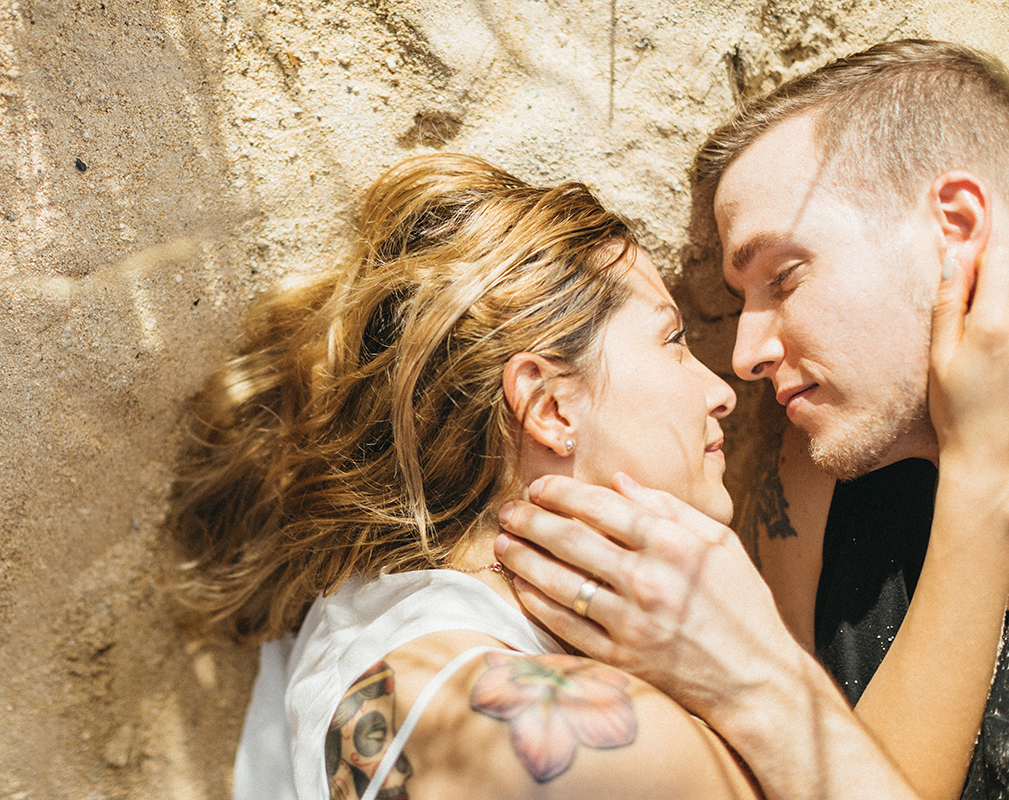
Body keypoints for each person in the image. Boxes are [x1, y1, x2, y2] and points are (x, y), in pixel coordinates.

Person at [170, 153, 923, 800]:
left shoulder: (375, 617)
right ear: (551, 406)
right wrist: (763, 672)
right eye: (672, 339)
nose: (721, 389)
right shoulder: (547, 740)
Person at [494, 38, 1009, 800]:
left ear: (956, 229)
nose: (745, 356)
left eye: (784, 277)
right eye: (740, 301)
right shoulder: (814, 471)